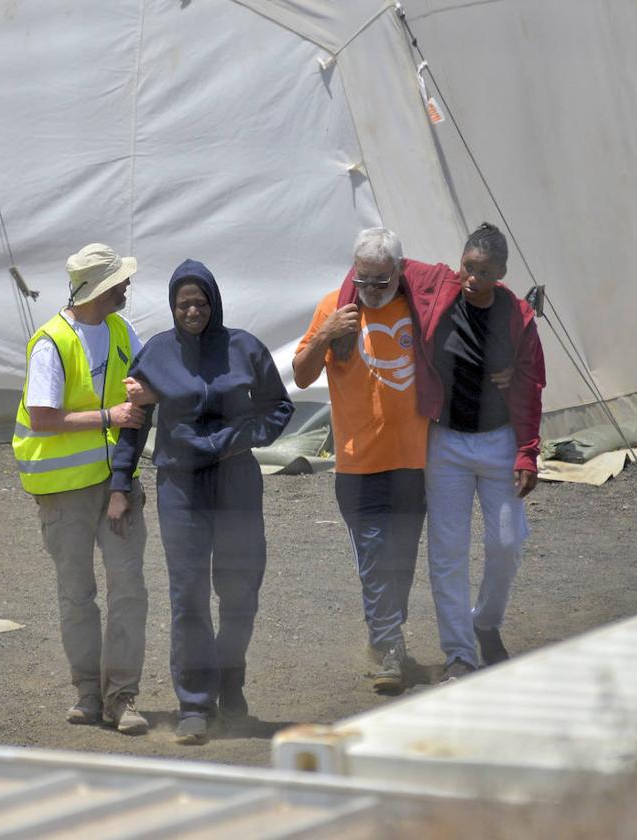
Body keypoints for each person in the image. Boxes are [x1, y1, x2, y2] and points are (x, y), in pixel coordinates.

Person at [335, 223, 545, 681]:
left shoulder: (517, 315)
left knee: (507, 543)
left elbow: (530, 386)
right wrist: (343, 316)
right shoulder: (438, 284)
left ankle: (485, 621)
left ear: (502, 273)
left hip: (498, 441)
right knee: (447, 551)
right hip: (445, 440)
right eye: (469, 267)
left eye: (485, 272)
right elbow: (371, 269)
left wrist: (527, 452)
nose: (473, 278)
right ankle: (459, 654)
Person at [110, 259, 293, 745]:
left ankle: (230, 684)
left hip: (236, 482)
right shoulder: (156, 354)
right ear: (172, 307)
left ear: (214, 302)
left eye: (200, 301)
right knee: (188, 596)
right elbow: (134, 422)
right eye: (183, 303)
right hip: (181, 486)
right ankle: (194, 703)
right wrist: (118, 485)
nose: (193, 310)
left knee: (240, 593)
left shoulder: (244, 347)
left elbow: (279, 405)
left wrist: (246, 436)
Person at [11, 243, 150, 734]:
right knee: (77, 594)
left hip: (117, 484)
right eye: (121, 281)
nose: (128, 285)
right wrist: (110, 416)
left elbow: (142, 390)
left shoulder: (121, 330)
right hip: (64, 492)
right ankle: (89, 694)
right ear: (101, 288)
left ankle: (122, 698)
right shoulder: (51, 342)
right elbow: (45, 418)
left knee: (128, 588)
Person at [292, 227, 429, 694]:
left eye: (381, 281)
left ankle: (388, 634)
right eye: (363, 279)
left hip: (413, 460)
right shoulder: (335, 306)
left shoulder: (416, 306)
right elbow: (303, 375)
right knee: (375, 559)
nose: (371, 290)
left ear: (400, 271)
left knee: (403, 558)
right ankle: (388, 646)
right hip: (357, 464)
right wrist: (327, 333)